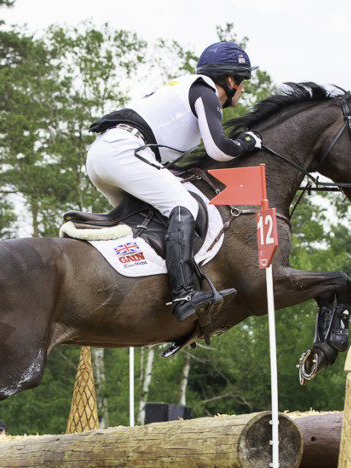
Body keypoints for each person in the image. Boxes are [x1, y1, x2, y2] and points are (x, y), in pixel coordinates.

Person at [86, 41, 262, 322]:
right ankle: (183, 294)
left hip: (105, 154)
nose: (243, 89)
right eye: (243, 82)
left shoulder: (186, 87)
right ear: (230, 80)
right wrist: (247, 142)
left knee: (149, 224)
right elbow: (219, 149)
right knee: (184, 205)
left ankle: (141, 291)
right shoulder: (206, 93)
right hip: (122, 151)